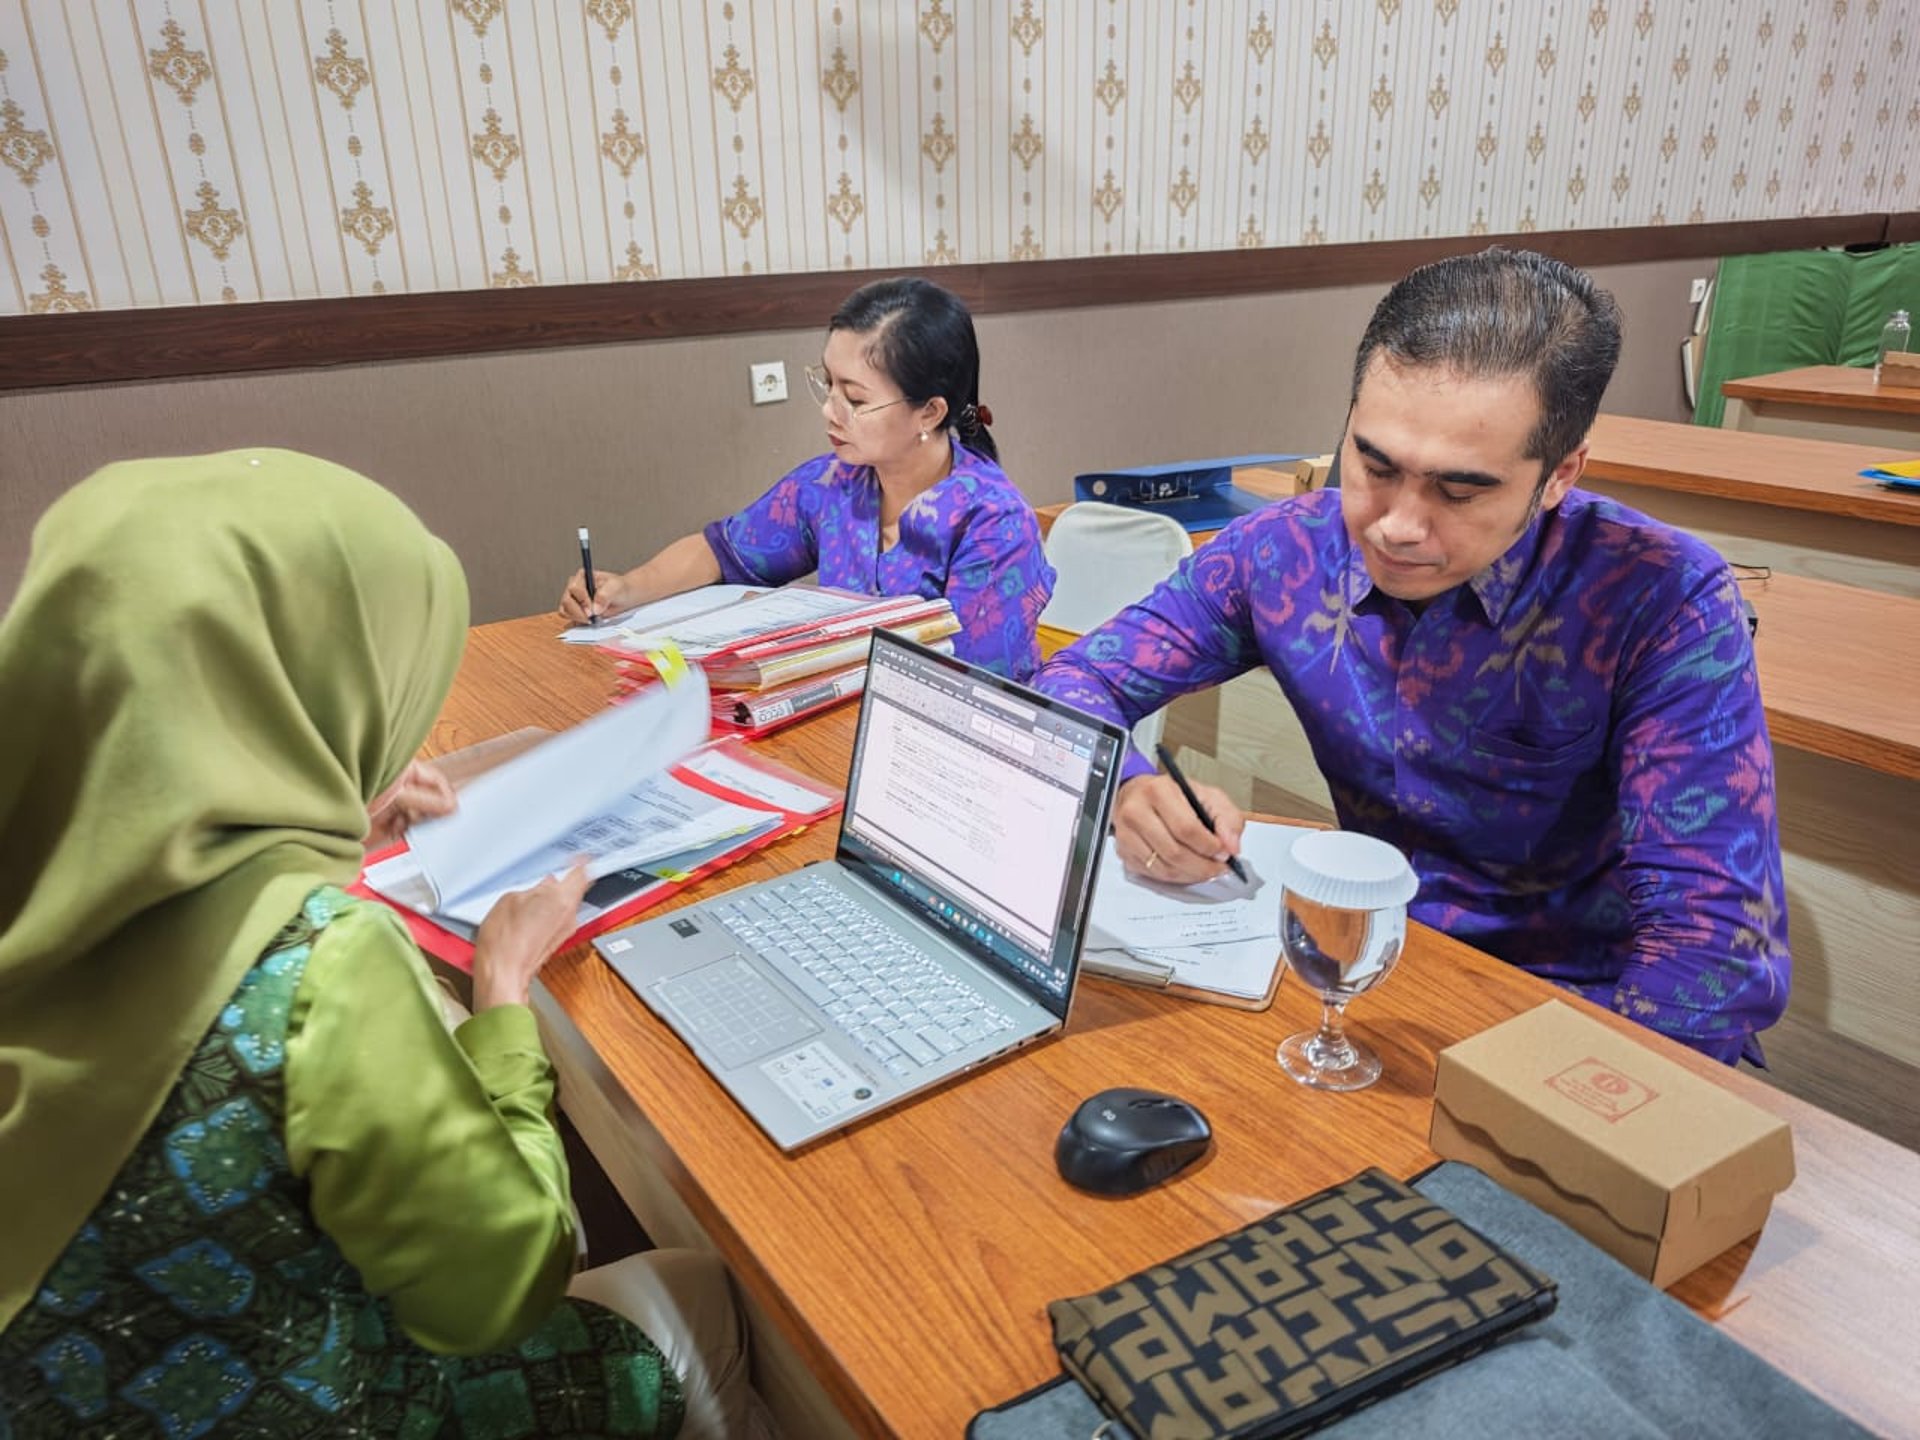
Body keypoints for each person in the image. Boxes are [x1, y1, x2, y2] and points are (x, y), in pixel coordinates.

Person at [0, 451, 749, 1437]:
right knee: (702, 1297)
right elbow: (502, 1291)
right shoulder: (319, 969)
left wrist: (323, 828)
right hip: (308, 1405)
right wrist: (505, 995)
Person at [1036, 248, 1789, 1065]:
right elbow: (1076, 682)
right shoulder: (1283, 551)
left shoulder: (1662, 598)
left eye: (1460, 492)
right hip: (1358, 976)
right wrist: (1130, 788)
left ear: (1559, 474)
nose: (1396, 524)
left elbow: (1713, 953)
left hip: (1576, 1018)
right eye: (1373, 464)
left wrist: (1543, 1109)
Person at [559, 276, 1055, 679]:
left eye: (855, 399)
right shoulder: (833, 485)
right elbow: (722, 550)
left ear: (929, 412)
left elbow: (971, 684)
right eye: (828, 383)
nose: (829, 411)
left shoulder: (993, 523)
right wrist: (626, 588)